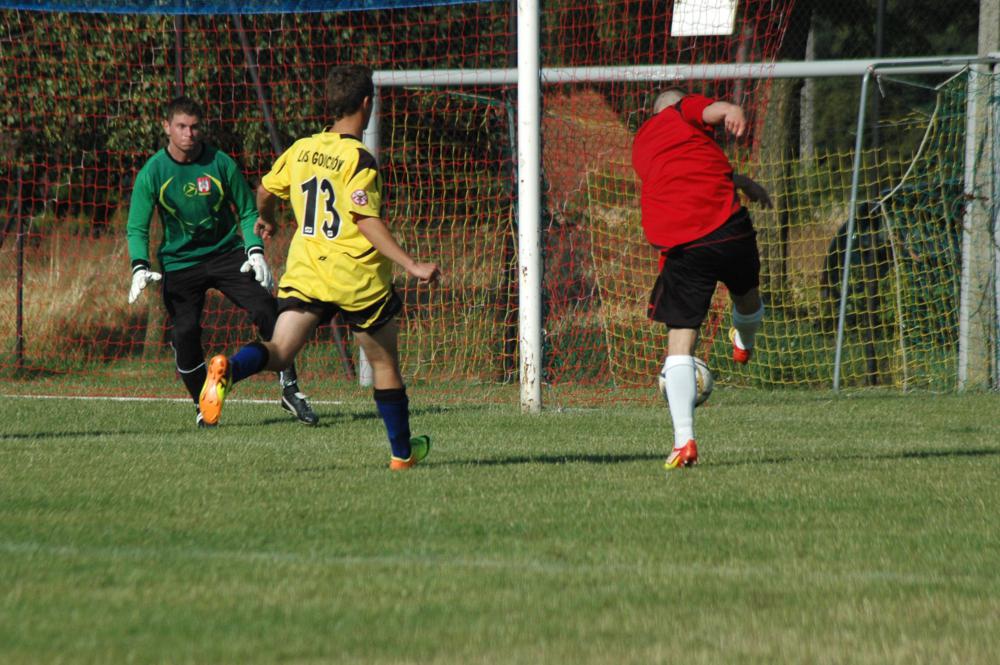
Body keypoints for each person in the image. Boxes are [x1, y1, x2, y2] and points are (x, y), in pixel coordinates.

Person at [197, 64, 441, 470]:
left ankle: (229, 370)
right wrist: (411, 264)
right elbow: (365, 220)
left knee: (278, 352)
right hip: (356, 278)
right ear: (366, 103)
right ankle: (402, 454)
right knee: (384, 364)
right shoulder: (359, 159)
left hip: (308, 271)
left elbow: (264, 190)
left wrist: (268, 218)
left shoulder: (302, 149)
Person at [126, 95, 317, 427]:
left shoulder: (221, 163)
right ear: (166, 127)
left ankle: (290, 388)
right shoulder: (153, 172)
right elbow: (137, 226)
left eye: (195, 127)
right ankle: (204, 403)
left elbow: (247, 211)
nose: (189, 134)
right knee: (184, 333)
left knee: (267, 310)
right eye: (182, 126)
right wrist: (139, 266)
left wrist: (255, 251)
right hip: (179, 264)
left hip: (227, 255)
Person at [631, 87, 772, 470]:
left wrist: (738, 179)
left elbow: (680, 175)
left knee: (680, 342)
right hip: (729, 228)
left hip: (685, 244)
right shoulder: (682, 111)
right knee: (747, 297)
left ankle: (684, 441)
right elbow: (713, 111)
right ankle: (744, 340)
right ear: (676, 108)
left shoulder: (642, 144)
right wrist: (734, 109)